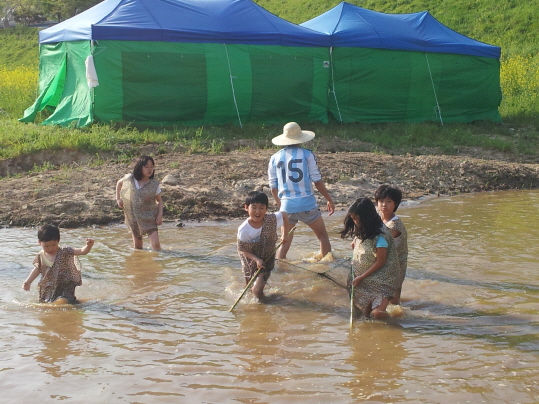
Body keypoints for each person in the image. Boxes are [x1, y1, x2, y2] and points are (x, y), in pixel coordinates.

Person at [268, 122, 335, 260]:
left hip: (287, 206)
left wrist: (281, 205)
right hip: (307, 204)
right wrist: (329, 199)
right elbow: (317, 180)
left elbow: (273, 188)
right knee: (323, 237)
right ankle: (327, 266)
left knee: (284, 242)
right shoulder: (307, 154)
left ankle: (279, 272)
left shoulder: (274, 158)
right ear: (301, 138)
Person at [340, 198, 400, 319]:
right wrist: (355, 240)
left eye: (358, 219)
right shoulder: (363, 228)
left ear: (367, 218)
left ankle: (392, 326)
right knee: (365, 313)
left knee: (377, 313)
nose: (355, 222)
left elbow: (381, 261)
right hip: (366, 277)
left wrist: (361, 277)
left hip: (384, 278)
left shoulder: (381, 236)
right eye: (353, 219)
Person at [23, 224, 94, 303]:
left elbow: (82, 251)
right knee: (47, 304)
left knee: (63, 300)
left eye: (54, 245)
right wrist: (28, 281)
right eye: (46, 246)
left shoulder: (65, 251)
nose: (50, 248)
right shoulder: (40, 256)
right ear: (39, 242)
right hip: (48, 286)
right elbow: (37, 269)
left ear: (58, 240)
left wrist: (88, 246)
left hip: (65, 285)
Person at [237, 191, 289, 299]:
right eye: (254, 207)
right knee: (249, 288)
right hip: (249, 260)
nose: (258, 211)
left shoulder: (271, 220)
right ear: (246, 207)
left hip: (266, 258)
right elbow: (243, 250)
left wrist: (285, 235)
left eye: (261, 208)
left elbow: (284, 215)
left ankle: (265, 305)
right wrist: (256, 259)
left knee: (256, 291)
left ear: (266, 209)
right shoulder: (244, 230)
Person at [116, 155, 163, 251]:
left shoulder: (154, 184)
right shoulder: (129, 179)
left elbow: (160, 201)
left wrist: (160, 215)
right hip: (133, 218)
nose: (150, 169)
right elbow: (119, 184)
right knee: (138, 247)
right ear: (139, 167)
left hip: (150, 218)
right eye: (146, 167)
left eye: (151, 166)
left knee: (156, 245)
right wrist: (118, 199)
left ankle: (156, 262)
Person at [374, 185, 408, 305]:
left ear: (396, 204)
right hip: (386, 260)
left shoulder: (394, 225)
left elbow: (382, 245)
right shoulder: (378, 216)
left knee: (393, 297)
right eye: (381, 201)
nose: (384, 205)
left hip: (397, 263)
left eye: (389, 202)